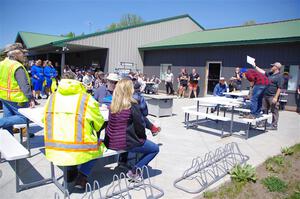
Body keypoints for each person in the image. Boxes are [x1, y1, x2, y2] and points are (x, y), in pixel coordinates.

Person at [42, 73, 107, 189]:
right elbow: (98, 124)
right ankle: (82, 175)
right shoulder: (86, 99)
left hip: (54, 147)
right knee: (100, 145)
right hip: (79, 148)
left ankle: (72, 169)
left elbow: (44, 120)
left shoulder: (52, 97)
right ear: (77, 81)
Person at [104, 79, 159, 180]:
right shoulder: (132, 105)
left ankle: (123, 161)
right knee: (154, 149)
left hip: (111, 141)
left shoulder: (112, 106)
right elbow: (140, 126)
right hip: (125, 142)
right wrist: (142, 138)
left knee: (128, 136)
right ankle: (134, 171)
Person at [0, 43, 35, 137]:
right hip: (18, 99)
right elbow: (24, 84)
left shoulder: (2, 63)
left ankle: (8, 141)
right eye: (22, 53)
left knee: (8, 120)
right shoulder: (16, 66)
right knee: (25, 118)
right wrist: (31, 98)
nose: (24, 55)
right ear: (15, 54)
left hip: (4, 97)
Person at [252, 62, 283, 130]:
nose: (271, 67)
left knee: (274, 111)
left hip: (272, 96)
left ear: (276, 67)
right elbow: (262, 72)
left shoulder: (279, 76)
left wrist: (276, 97)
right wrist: (255, 66)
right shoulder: (270, 74)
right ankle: (264, 122)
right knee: (264, 110)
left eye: (273, 66)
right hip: (265, 95)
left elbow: (279, 88)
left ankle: (274, 126)